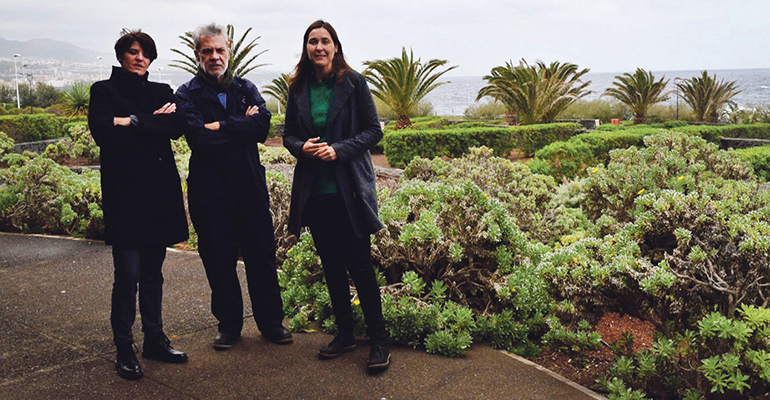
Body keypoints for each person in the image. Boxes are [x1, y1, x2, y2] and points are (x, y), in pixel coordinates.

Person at [175, 23, 291, 350]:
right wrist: (240, 125)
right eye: (207, 51)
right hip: (209, 192)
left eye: (219, 50)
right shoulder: (187, 93)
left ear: (229, 50)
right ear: (198, 54)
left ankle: (271, 324)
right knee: (218, 259)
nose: (214, 56)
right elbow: (198, 137)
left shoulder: (246, 88)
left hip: (249, 188)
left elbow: (262, 126)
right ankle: (229, 326)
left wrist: (221, 125)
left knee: (262, 258)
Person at [282, 20, 389, 372]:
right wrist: (304, 147)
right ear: (306, 48)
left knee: (360, 266)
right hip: (316, 194)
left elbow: (374, 131)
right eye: (313, 42)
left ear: (336, 46)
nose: (319, 47)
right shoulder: (298, 87)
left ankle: (379, 342)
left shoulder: (354, 83)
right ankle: (345, 336)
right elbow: (289, 137)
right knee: (330, 266)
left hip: (350, 192)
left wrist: (339, 149)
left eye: (325, 41)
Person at [88, 30, 189, 380]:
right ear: (121, 55)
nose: (140, 58)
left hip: (158, 193)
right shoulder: (103, 91)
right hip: (124, 195)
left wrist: (128, 120)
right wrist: (149, 121)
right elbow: (102, 130)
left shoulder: (162, 91)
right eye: (133, 51)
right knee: (127, 273)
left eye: (146, 53)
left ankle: (155, 340)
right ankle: (123, 347)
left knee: (152, 273)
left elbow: (175, 125)